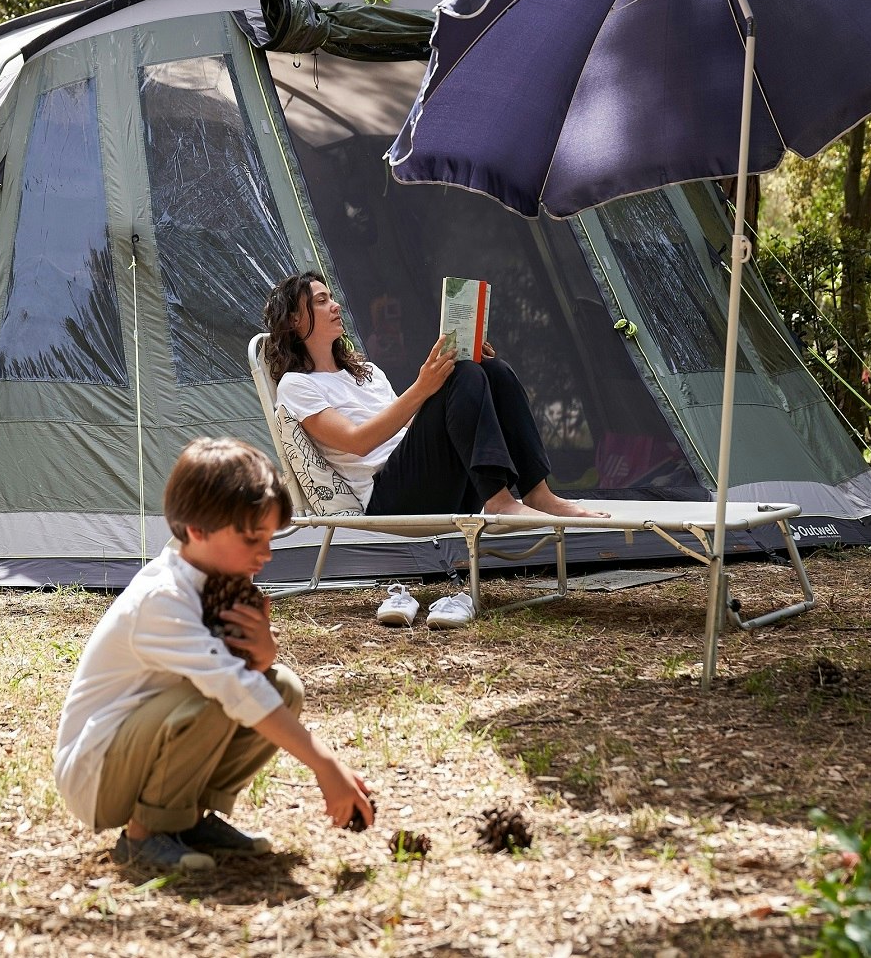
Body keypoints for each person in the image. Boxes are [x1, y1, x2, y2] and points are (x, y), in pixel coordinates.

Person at [54, 438, 374, 873]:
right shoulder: (163, 596)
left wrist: (263, 655)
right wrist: (325, 764)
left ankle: (188, 819)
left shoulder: (215, 581)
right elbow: (232, 688)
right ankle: (144, 835)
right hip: (98, 773)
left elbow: (246, 681)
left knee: (281, 687)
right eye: (250, 538)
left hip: (145, 743)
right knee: (223, 696)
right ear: (196, 529)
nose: (265, 554)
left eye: (268, 537)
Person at [262, 271, 603, 628]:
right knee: (464, 374)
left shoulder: (368, 372)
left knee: (491, 369)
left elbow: (412, 427)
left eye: (332, 298)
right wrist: (426, 386)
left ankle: (538, 494)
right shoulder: (297, 385)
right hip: (388, 497)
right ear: (295, 319)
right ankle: (500, 500)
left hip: (430, 482)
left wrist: (453, 370)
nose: (334, 306)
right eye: (320, 301)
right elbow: (357, 441)